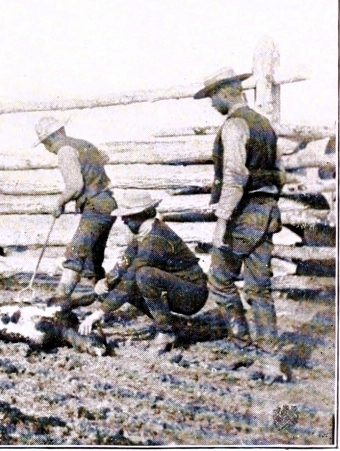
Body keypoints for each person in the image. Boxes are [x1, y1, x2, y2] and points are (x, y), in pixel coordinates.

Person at [193, 67, 285, 354]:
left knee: (220, 280)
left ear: (224, 93)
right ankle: (269, 358)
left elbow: (234, 177)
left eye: (212, 97)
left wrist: (222, 222)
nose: (212, 104)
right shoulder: (264, 124)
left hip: (242, 214)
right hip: (266, 212)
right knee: (259, 288)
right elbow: (280, 173)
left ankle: (241, 347)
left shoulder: (234, 125)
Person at [78, 192, 208, 353]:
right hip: (177, 288)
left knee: (144, 276)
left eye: (128, 216)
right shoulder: (142, 234)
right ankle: (171, 323)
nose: (123, 220)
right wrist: (107, 282)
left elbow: (130, 279)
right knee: (123, 283)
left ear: (142, 214)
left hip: (192, 294)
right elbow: (124, 263)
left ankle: (166, 332)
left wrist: (98, 313)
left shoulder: (155, 240)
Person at [35, 117, 117, 303]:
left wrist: (60, 202)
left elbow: (74, 186)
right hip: (107, 203)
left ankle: (59, 299)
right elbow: (104, 159)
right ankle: (105, 302)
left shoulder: (65, 151)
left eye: (45, 144)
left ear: (49, 140)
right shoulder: (84, 144)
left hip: (96, 205)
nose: (47, 148)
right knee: (93, 259)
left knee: (76, 251)